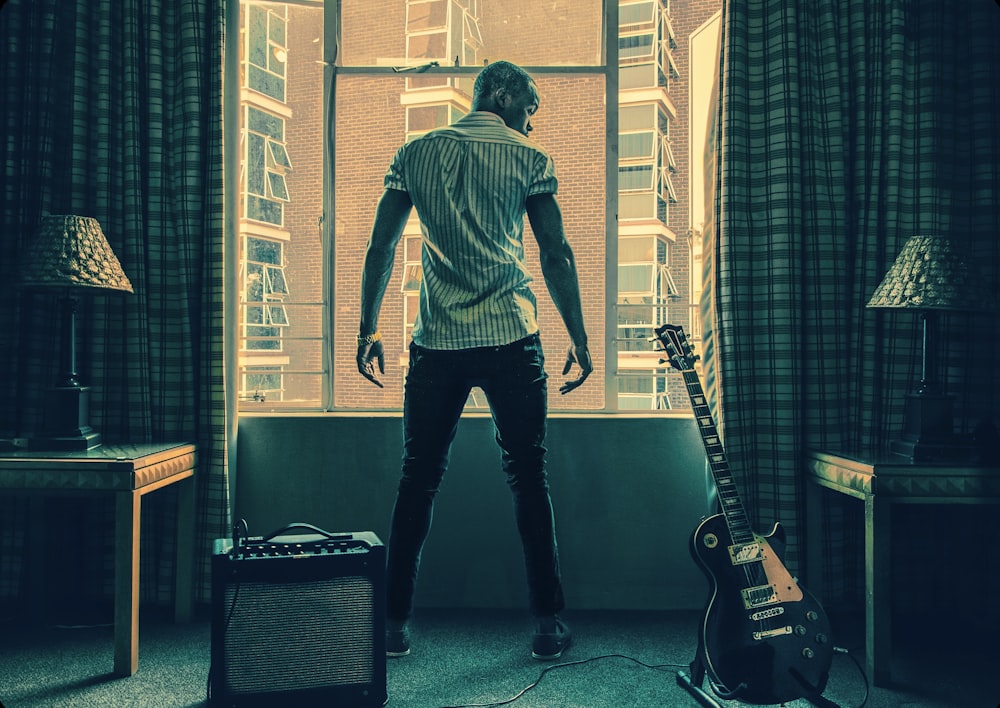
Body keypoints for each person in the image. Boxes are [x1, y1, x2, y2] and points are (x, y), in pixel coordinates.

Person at [355, 60, 593, 662]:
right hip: (512, 338)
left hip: (437, 342)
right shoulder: (528, 159)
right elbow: (556, 253)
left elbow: (381, 245)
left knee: (418, 478)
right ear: (503, 93)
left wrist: (367, 329)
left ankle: (391, 626)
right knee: (528, 477)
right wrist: (581, 338)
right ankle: (546, 624)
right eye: (530, 108)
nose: (531, 124)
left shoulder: (416, 152)